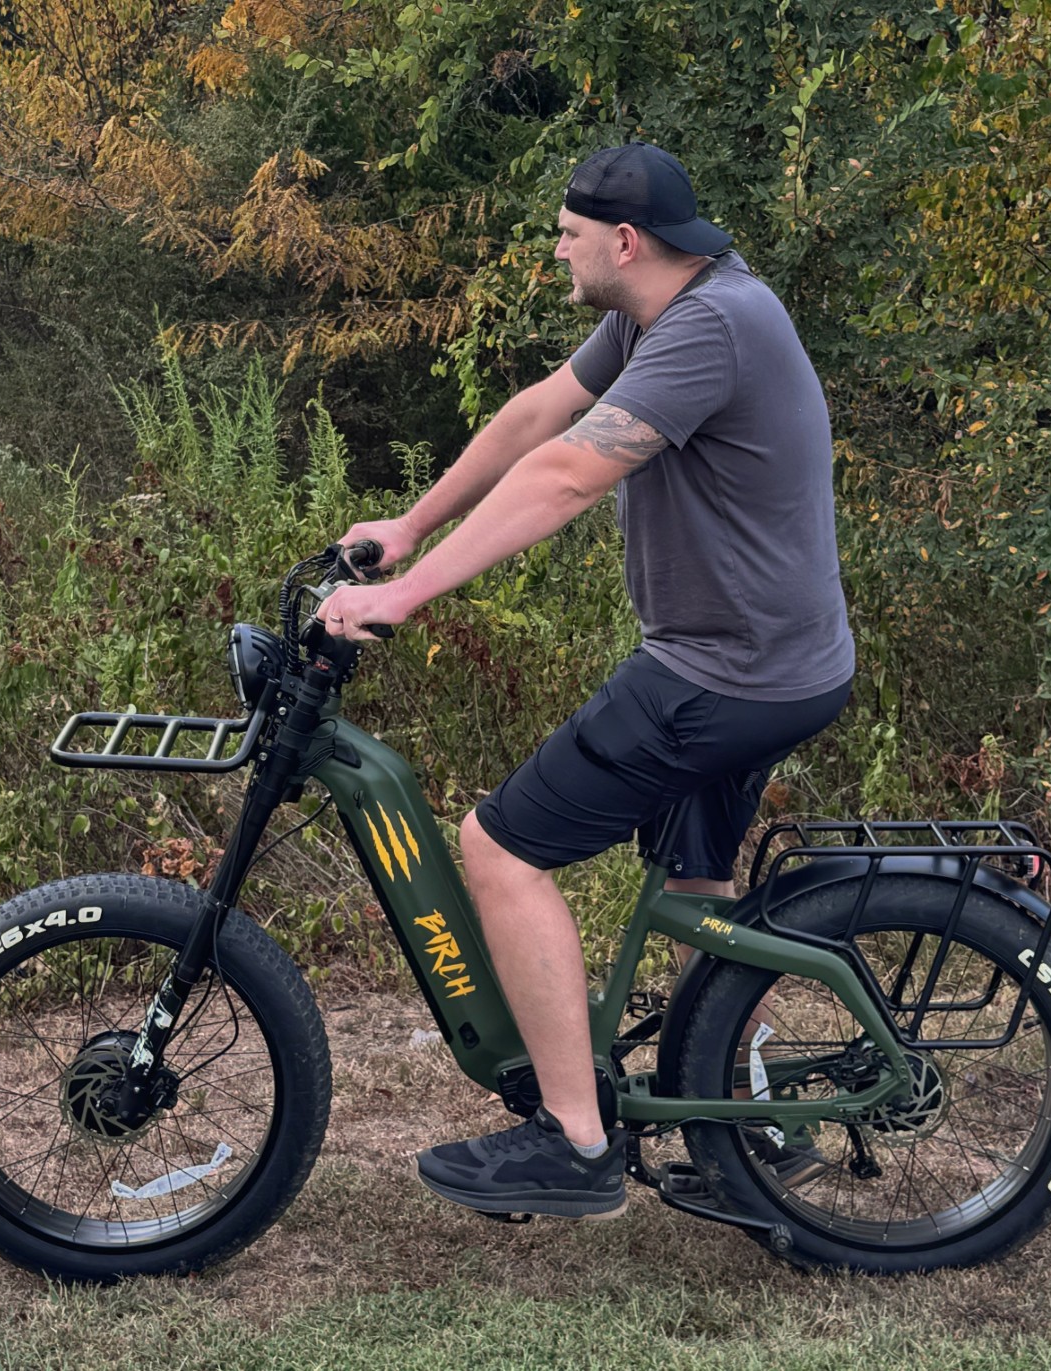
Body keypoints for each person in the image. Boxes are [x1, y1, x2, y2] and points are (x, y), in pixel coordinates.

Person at [323, 142, 855, 1219]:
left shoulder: (711, 327)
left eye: (567, 234)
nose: (556, 250)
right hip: (767, 660)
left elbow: (569, 472)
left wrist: (409, 594)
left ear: (624, 240)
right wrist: (411, 524)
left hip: (728, 673)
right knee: (695, 890)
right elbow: (539, 415)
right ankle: (745, 1116)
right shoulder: (663, 308)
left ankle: (575, 1145)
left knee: (500, 847)